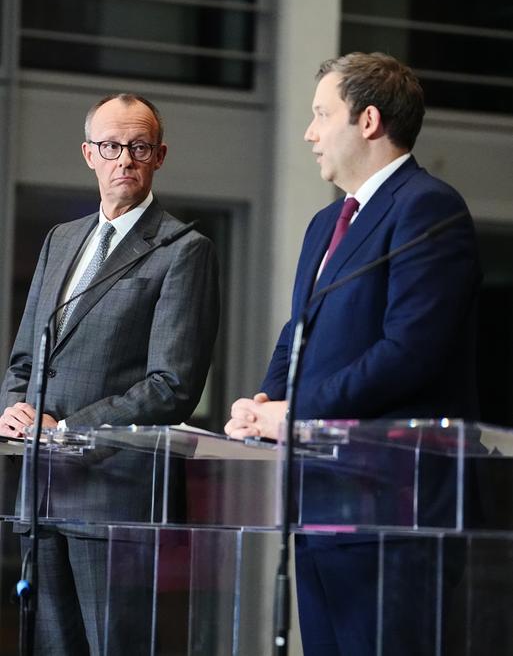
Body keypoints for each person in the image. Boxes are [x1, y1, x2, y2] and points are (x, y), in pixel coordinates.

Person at [225, 53, 480, 655]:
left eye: (320, 114)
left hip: (396, 507)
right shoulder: (324, 224)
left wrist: (299, 413)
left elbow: (408, 351)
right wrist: (264, 404)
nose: (310, 133)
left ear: (367, 120)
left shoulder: (428, 208)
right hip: (321, 500)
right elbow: (301, 331)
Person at [0, 93, 219, 654]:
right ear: (88, 154)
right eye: (111, 146)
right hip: (41, 495)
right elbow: (26, 356)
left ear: (159, 156)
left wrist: (66, 431)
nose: (125, 158)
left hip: (117, 504)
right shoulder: (61, 241)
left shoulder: (181, 250)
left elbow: (172, 386)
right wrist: (15, 404)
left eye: (139, 147)